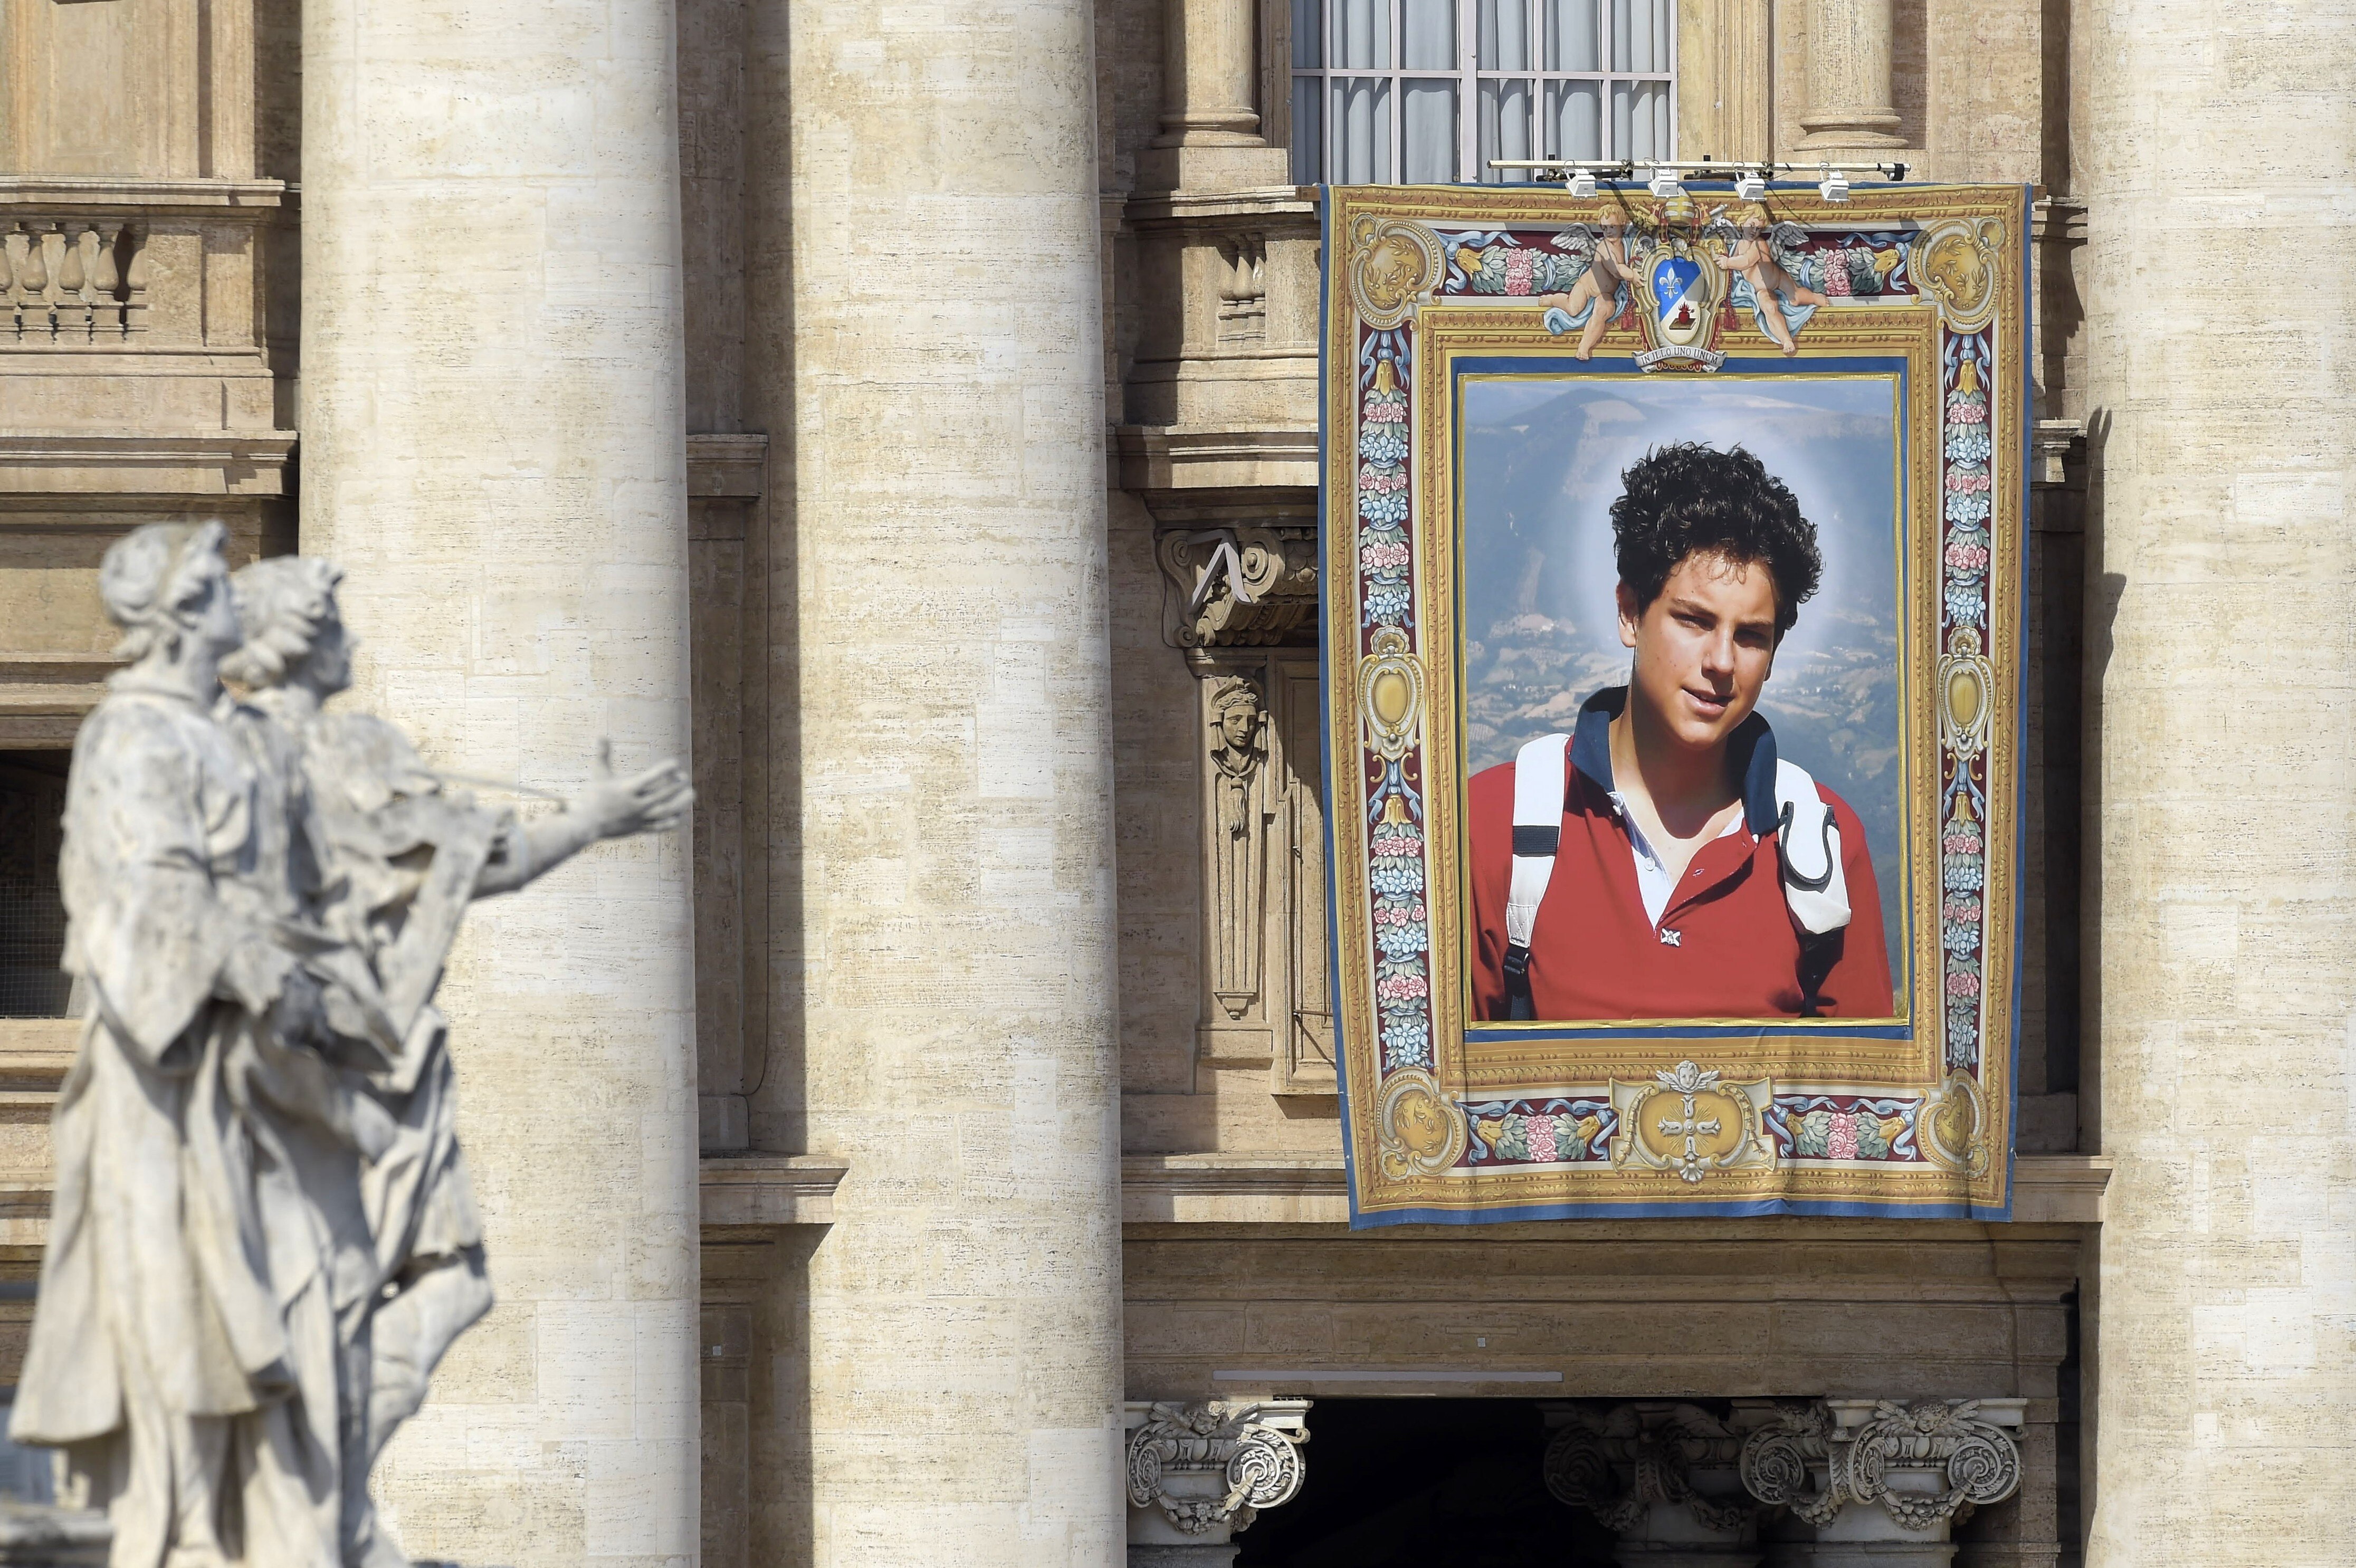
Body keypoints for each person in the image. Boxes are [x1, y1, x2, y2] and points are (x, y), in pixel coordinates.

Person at [221, 556, 691, 1567]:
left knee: (436, 1285)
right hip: (316, 1065)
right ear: (300, 637)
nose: (354, 638)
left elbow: (477, 861)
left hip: (380, 1062)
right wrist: (592, 819)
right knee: (331, 1296)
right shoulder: (277, 761)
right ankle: (309, 1506)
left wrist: (589, 820)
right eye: (336, 620)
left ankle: (321, 1500)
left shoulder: (323, 752)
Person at [11, 522, 394, 1568]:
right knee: (179, 1296)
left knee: (309, 1282)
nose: (241, 594)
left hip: (259, 1071)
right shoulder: (132, 737)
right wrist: (280, 976)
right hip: (169, 1073)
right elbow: (156, 899)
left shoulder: (228, 732)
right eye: (219, 583)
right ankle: (182, 1527)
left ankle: (287, 1513)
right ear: (181, 610)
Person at [1467, 444, 1891, 1021]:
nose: (1720, 660)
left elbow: (1858, 1101)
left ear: (1772, 655)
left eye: (1750, 636)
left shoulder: (1825, 846)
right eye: (1693, 620)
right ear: (1629, 613)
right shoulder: (1495, 824)